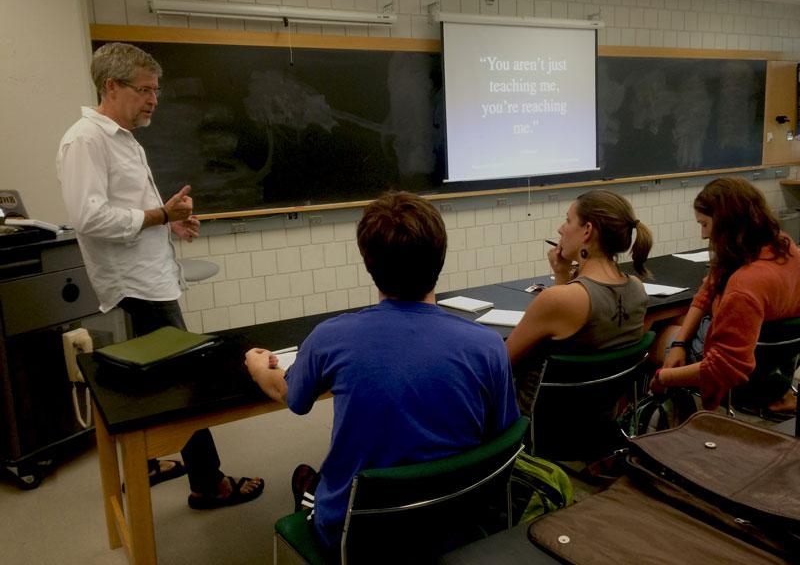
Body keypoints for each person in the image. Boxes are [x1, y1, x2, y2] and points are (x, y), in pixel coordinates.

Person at [245, 191, 520, 554]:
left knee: (315, 482)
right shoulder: (488, 347)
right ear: (440, 255)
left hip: (358, 536)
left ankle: (310, 494)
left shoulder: (330, 338)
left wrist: (258, 367)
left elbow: (290, 396)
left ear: (367, 260)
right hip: (459, 522)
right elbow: (502, 437)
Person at [56, 42, 263, 509]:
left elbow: (123, 210)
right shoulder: (86, 139)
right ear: (111, 86)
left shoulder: (120, 136)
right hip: (135, 285)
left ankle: (147, 466)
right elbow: (88, 218)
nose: (154, 100)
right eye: (145, 90)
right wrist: (158, 214)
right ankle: (209, 484)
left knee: (147, 384)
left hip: (148, 275)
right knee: (185, 383)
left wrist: (168, 220)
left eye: (157, 90)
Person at [651, 177, 800, 416]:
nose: (702, 236)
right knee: (679, 328)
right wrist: (680, 344)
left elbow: (723, 367)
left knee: (654, 334)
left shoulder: (746, 285)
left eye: (705, 225)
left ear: (727, 224)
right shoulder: (782, 246)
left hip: (737, 373)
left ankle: (663, 425)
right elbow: (707, 290)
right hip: (773, 364)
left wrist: (664, 377)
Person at [506, 190, 652, 415]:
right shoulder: (636, 289)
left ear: (588, 230)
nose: (560, 229)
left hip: (538, 426)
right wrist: (562, 274)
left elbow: (503, 363)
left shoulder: (558, 300)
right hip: (599, 425)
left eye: (568, 220)